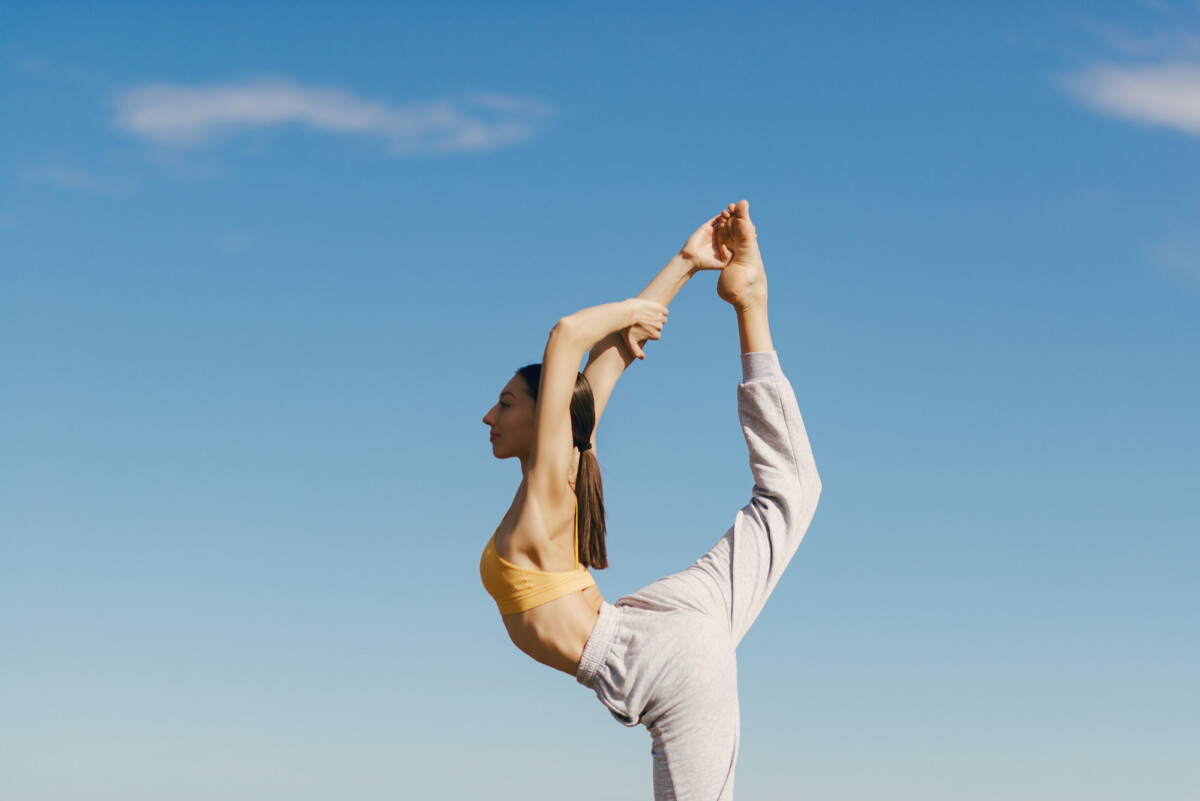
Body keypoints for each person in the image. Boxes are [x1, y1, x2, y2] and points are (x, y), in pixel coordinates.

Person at [480, 201, 822, 800]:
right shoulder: (567, 467)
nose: (489, 414)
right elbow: (608, 359)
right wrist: (688, 263)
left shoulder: (546, 496)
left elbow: (567, 337)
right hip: (664, 618)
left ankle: (752, 302)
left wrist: (632, 309)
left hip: (663, 659)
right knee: (789, 493)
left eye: (507, 402)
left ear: (545, 415)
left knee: (789, 497)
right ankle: (753, 305)